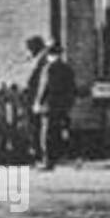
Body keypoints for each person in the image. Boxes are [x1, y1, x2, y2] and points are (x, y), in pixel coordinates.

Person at [33, 42, 77, 170]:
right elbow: (72, 88)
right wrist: (69, 104)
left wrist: (38, 102)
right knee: (57, 132)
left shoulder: (49, 68)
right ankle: (57, 158)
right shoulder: (67, 68)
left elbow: (44, 87)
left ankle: (47, 161)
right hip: (62, 105)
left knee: (46, 134)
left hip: (49, 105)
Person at [23, 35, 49, 164]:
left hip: (37, 98)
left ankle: (39, 154)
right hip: (34, 97)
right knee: (34, 126)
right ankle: (37, 152)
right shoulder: (39, 59)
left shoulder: (42, 60)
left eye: (29, 48)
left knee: (36, 126)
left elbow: (38, 79)